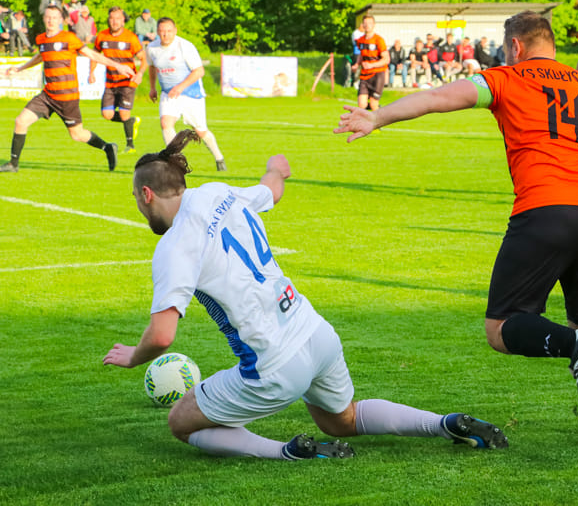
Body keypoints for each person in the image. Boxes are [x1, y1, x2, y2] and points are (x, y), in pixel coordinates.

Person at [336, 10, 578, 449]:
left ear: (515, 47)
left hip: (544, 208)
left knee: (502, 328)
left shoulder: (506, 77)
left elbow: (439, 97)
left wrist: (378, 118)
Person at [102, 130, 509, 459]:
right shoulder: (217, 192)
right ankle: (444, 423)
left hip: (272, 367)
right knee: (342, 421)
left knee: (181, 422)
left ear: (146, 195)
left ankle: (287, 452)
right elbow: (271, 191)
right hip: (316, 334)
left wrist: (133, 357)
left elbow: (162, 336)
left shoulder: (173, 247)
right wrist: (275, 168)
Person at [0, 6, 135, 173]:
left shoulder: (69, 38)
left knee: (77, 134)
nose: (51, 20)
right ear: (44, 19)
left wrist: (117, 66)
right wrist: (20, 68)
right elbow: (41, 56)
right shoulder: (42, 39)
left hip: (67, 97)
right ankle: (13, 164)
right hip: (48, 95)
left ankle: (107, 147)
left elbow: (92, 55)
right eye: (48, 17)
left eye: (55, 17)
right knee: (21, 121)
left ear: (61, 20)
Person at [147, 17, 226, 171]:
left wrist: (180, 87)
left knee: (200, 131)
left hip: (191, 93)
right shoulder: (152, 48)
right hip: (168, 94)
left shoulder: (185, 46)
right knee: (165, 123)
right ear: (157, 32)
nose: (166, 34)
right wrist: (152, 88)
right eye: (162, 31)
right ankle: (174, 160)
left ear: (175, 31)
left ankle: (219, 158)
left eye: (169, 31)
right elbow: (151, 67)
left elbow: (199, 71)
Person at [89, 6, 147, 153]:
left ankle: (130, 146)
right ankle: (131, 122)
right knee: (107, 114)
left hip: (127, 81)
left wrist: (140, 73)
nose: (114, 22)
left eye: (118, 19)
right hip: (110, 81)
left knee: (123, 113)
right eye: (112, 18)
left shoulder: (131, 38)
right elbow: (95, 55)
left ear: (123, 21)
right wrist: (91, 72)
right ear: (108, 20)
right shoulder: (102, 36)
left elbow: (144, 58)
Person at [355, 15, 389, 112]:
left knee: (374, 103)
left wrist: (372, 65)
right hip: (364, 76)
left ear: (374, 25)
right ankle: (376, 112)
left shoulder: (379, 40)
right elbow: (362, 54)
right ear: (362, 25)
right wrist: (357, 64)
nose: (367, 25)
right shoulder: (360, 40)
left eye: (369, 23)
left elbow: (386, 59)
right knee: (361, 104)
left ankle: (377, 121)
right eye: (365, 23)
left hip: (377, 75)